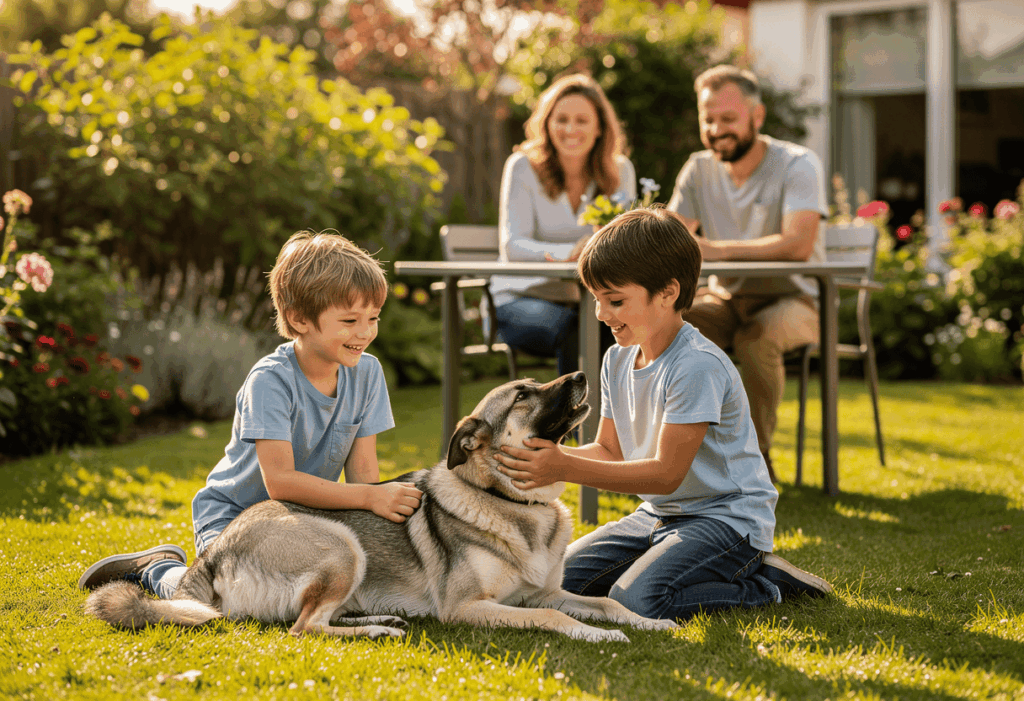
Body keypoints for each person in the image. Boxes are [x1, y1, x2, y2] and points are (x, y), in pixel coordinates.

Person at [493, 208, 832, 622]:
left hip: (726, 519)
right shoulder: (617, 359)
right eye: (597, 300)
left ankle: (767, 585)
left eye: (615, 301)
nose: (602, 314)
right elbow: (609, 451)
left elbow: (665, 474)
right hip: (657, 515)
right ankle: (677, 560)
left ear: (668, 292)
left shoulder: (696, 365)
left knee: (637, 601)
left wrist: (562, 465)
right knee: (555, 585)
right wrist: (543, 456)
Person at [78, 231, 422, 596]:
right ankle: (159, 568)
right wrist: (370, 498)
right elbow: (282, 483)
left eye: (373, 317)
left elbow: (363, 476)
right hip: (234, 518)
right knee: (221, 600)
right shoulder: (270, 381)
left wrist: (381, 512)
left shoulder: (366, 373)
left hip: (299, 521)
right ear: (300, 319)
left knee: (320, 587)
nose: (366, 332)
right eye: (350, 321)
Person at [666, 65, 829, 482]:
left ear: (757, 117)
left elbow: (799, 243)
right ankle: (670, 460)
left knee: (756, 339)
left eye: (728, 119)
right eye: (709, 119)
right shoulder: (697, 169)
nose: (717, 129)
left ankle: (754, 463)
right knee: (664, 328)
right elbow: (670, 238)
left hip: (796, 299)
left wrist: (716, 251)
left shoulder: (797, 164)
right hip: (725, 299)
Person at [490, 73, 636, 376]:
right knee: (581, 326)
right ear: (547, 124)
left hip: (589, 302)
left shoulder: (619, 171)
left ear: (599, 127)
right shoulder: (522, 167)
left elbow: (628, 244)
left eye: (582, 120)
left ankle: (620, 422)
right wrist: (569, 252)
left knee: (626, 325)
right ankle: (575, 425)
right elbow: (512, 245)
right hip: (521, 298)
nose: (571, 129)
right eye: (562, 119)